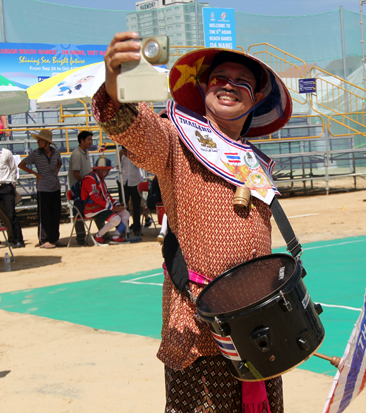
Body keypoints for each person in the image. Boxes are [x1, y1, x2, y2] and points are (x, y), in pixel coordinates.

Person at [92, 31, 292, 412]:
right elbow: (131, 125)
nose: (230, 86)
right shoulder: (176, 142)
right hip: (200, 336)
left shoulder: (255, 162)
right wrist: (115, 79)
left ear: (256, 100)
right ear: (203, 88)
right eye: (220, 79)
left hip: (259, 333)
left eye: (242, 83)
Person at [18, 129, 63, 248]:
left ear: (47, 142)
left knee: (55, 214)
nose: (38, 142)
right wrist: (36, 174)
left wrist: (55, 173)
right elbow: (21, 164)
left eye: (40, 140)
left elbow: (59, 163)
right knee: (44, 215)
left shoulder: (56, 153)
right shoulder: (36, 153)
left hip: (55, 186)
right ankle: (44, 240)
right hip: (43, 188)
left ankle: (54, 238)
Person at [80, 157, 129, 245]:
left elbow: (107, 196)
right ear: (97, 170)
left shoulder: (99, 179)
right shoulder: (90, 179)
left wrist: (117, 204)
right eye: (104, 170)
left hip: (101, 208)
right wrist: (113, 208)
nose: (106, 173)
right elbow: (96, 198)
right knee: (116, 219)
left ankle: (115, 236)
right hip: (92, 209)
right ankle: (98, 236)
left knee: (126, 213)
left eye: (108, 170)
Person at [68, 131, 95, 245]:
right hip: (79, 188)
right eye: (88, 139)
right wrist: (86, 183)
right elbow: (76, 173)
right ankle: (80, 237)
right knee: (78, 211)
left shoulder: (85, 152)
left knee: (91, 208)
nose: (90, 142)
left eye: (91, 139)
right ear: (82, 140)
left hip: (85, 186)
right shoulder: (77, 154)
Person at [116, 146, 143, 236]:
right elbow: (117, 166)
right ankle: (123, 228)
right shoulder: (119, 149)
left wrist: (132, 155)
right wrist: (120, 156)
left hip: (135, 181)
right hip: (123, 180)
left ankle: (136, 228)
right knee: (123, 206)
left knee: (136, 206)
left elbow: (139, 165)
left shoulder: (136, 147)